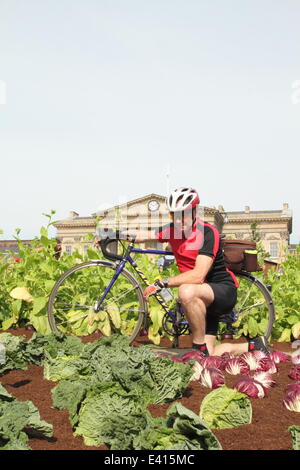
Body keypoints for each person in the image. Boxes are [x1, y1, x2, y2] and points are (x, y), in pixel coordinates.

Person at [122, 187, 270, 357]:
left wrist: (162, 283)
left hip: (221, 292)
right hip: (200, 302)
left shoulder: (207, 233)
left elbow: (198, 275)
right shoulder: (173, 230)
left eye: (183, 214)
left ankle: (197, 350)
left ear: (194, 213)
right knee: (211, 353)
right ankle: (254, 346)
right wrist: (110, 234)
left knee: (186, 290)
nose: (178, 220)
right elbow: (142, 234)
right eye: (173, 215)